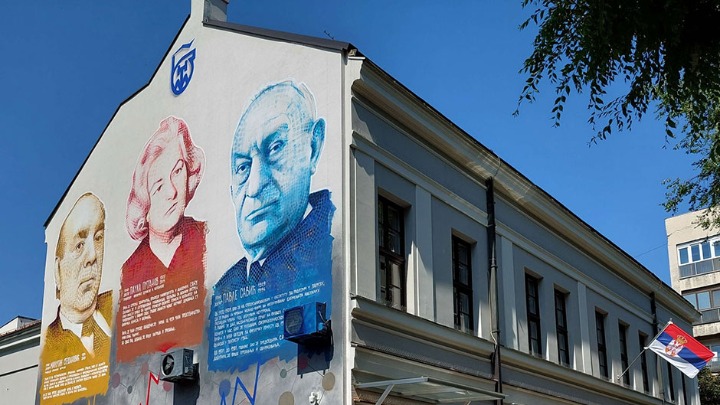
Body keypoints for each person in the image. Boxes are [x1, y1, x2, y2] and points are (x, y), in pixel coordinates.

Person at [210, 80, 334, 373]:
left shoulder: (328, 247)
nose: (254, 186)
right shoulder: (225, 287)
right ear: (231, 191)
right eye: (242, 167)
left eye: (276, 148)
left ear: (313, 147)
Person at [118, 116, 206, 362]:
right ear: (143, 205)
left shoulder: (204, 237)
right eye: (158, 187)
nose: (172, 191)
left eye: (177, 171)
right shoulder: (130, 271)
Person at [43, 193, 111, 360]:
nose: (92, 256)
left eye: (98, 238)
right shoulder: (49, 342)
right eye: (79, 246)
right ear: (57, 270)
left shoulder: (119, 307)